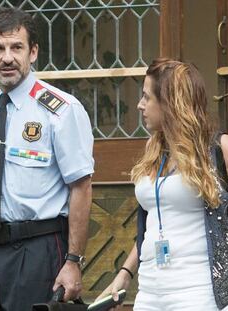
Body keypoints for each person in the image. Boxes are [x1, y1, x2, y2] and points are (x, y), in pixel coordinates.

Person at [0, 7, 94, 311]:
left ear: (33, 52)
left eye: (16, 47)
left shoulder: (61, 110)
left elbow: (81, 187)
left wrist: (74, 261)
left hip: (37, 248)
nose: (7, 58)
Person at [97, 58, 228, 310]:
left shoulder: (217, 149)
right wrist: (125, 272)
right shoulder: (153, 148)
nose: (139, 105)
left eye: (147, 98)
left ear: (169, 103)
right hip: (149, 292)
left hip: (197, 293)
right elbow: (153, 221)